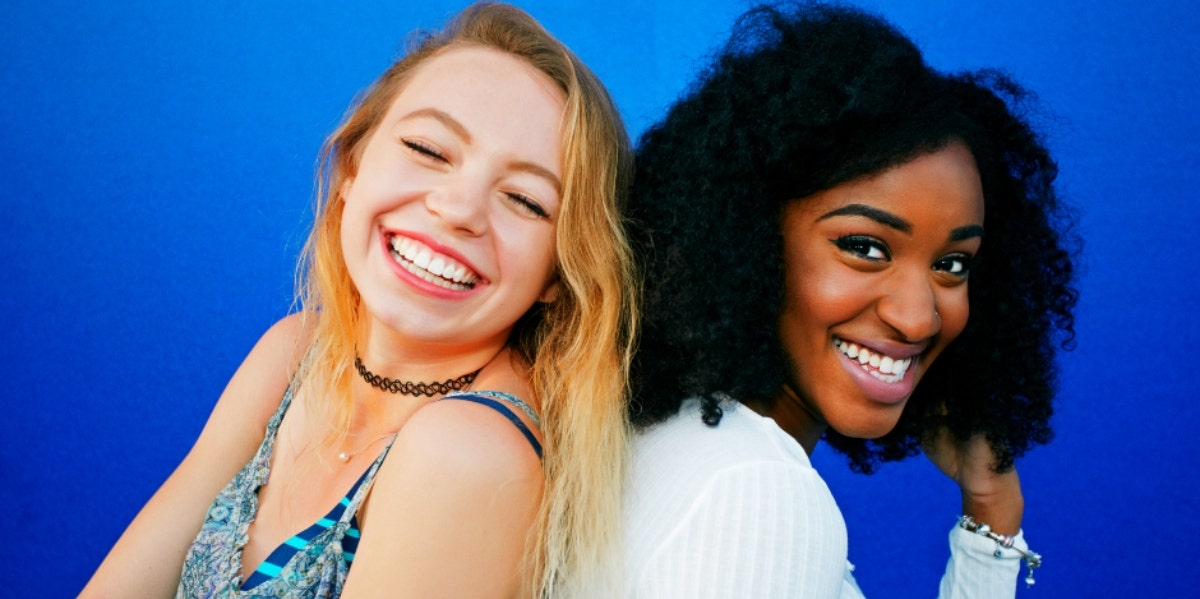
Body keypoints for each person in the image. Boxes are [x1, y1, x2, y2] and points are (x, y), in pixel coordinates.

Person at [82, 3, 636, 597]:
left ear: (561, 273)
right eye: (429, 149)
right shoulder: (293, 353)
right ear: (353, 165)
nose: (457, 210)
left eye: (525, 200)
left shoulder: (467, 452)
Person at [623, 3, 1077, 597]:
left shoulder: (680, 445)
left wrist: (990, 511)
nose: (917, 317)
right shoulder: (756, 490)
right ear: (746, 237)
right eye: (864, 247)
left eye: (951, 264)